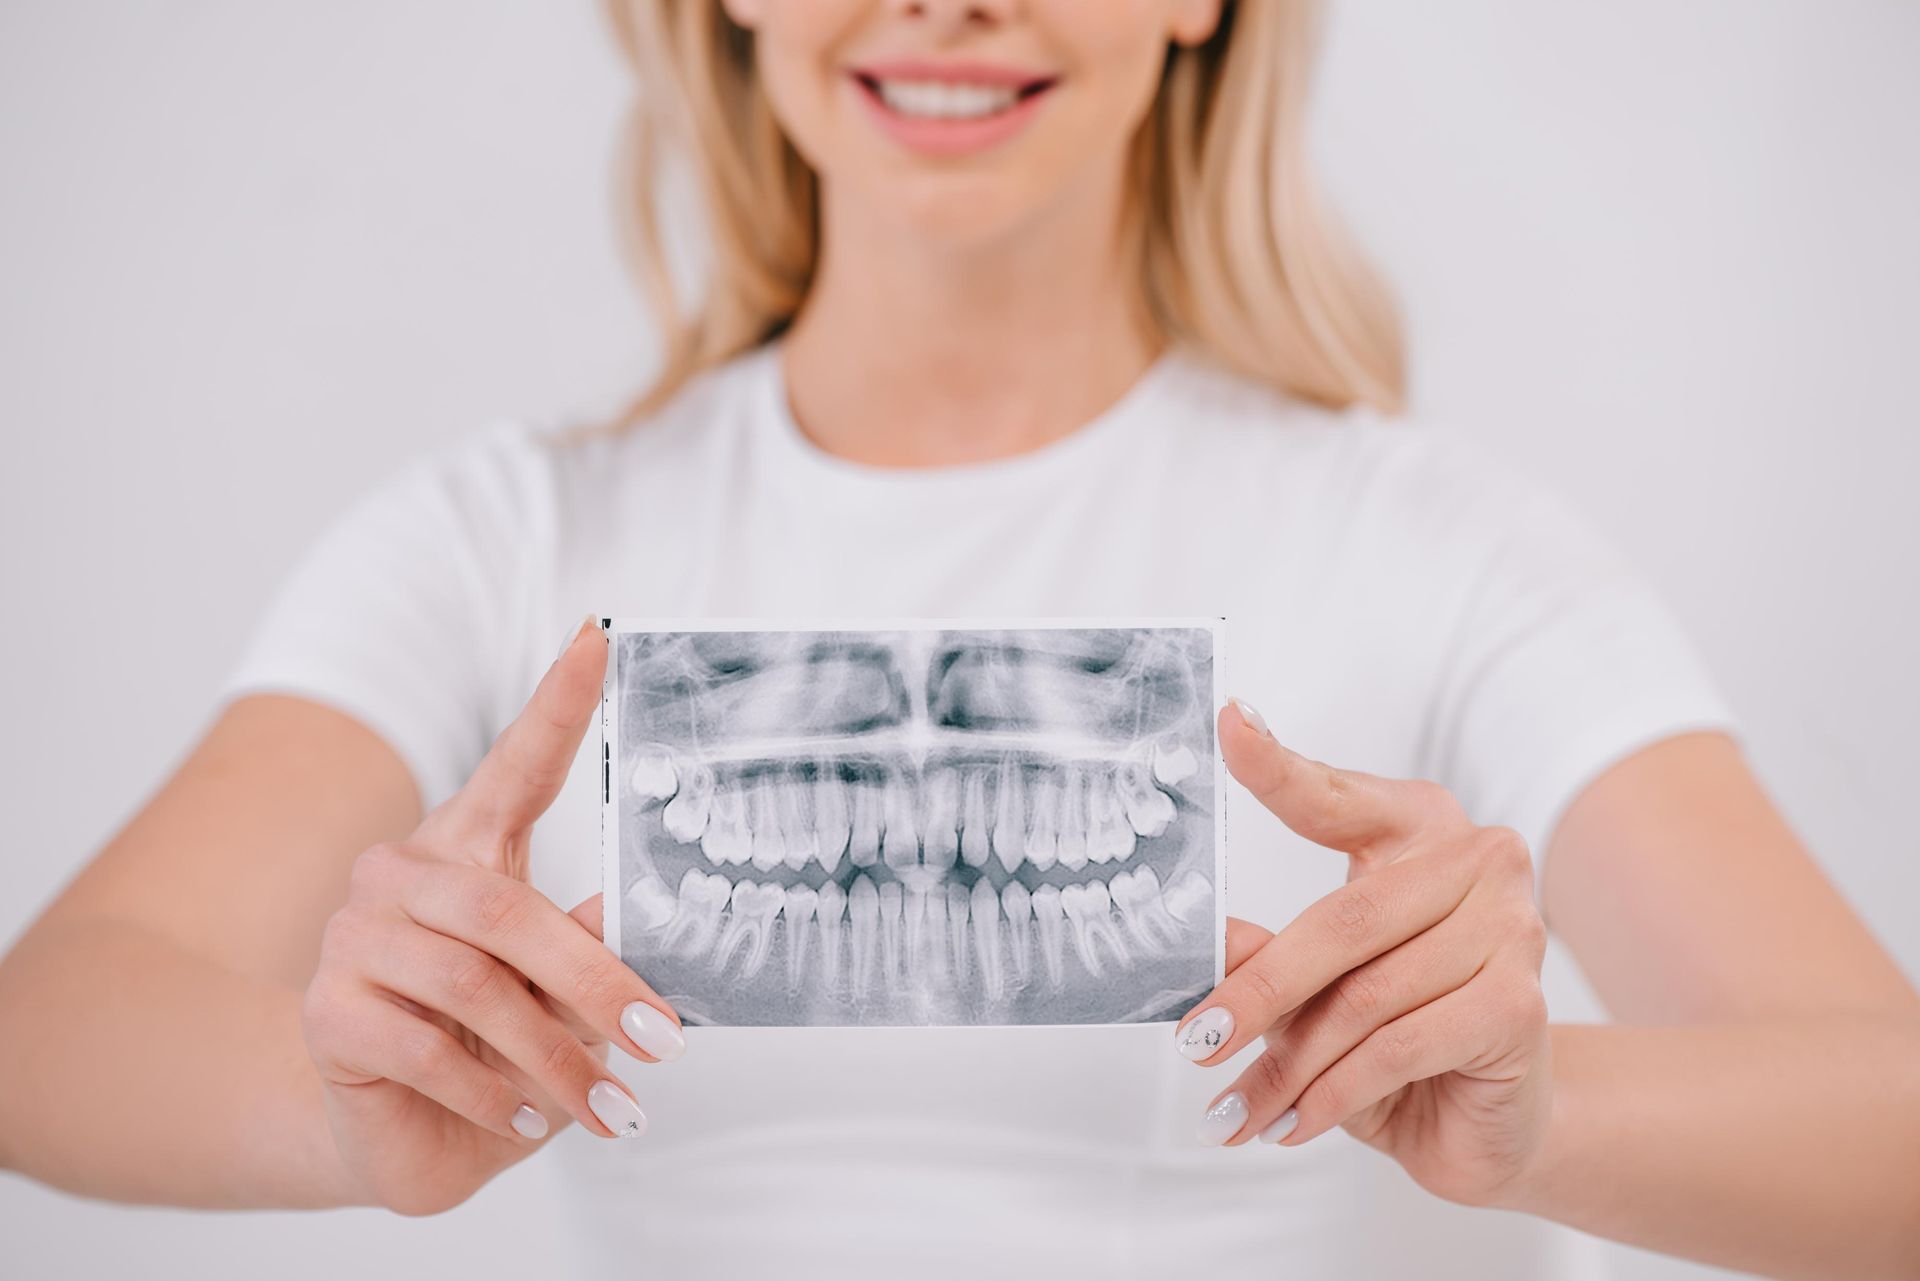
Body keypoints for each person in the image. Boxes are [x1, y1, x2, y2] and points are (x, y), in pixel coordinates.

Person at [1, 1, 1916, 1277]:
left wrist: (1547, 1109)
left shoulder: (1450, 546)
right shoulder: (495, 538)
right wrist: (338, 1103)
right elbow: (51, 1028)